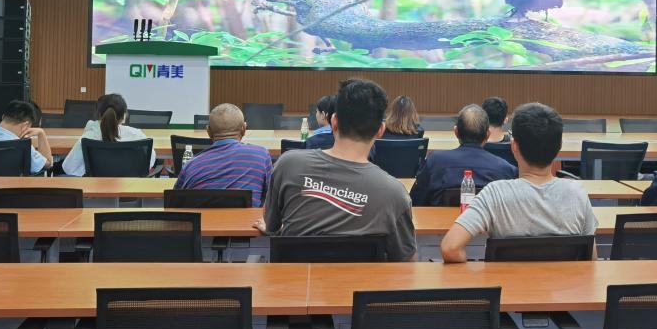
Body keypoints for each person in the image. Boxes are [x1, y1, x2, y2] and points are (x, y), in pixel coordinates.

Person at [255, 77, 416, 261]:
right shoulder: (395, 194)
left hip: (294, 279)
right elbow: (405, 259)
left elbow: (272, 226)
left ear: (334, 121)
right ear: (380, 130)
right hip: (361, 280)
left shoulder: (288, 164)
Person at [441, 102, 597, 263]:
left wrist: (481, 273)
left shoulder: (495, 194)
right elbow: (591, 259)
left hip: (506, 280)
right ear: (559, 146)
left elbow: (450, 248)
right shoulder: (577, 194)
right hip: (563, 280)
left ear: (514, 146)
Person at [410, 104, 517, 207]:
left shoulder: (434, 161)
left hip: (439, 220)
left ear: (456, 132)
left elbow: (416, 201)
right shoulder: (506, 169)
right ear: (487, 134)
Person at [173, 103, 272, 206]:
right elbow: (272, 198)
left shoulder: (190, 166)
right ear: (243, 129)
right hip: (248, 217)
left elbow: (174, 204)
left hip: (205, 217)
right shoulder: (261, 156)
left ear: (208, 131)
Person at [59, 93, 157, 177]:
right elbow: (149, 162)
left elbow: (69, 168)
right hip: (131, 190)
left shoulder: (89, 137)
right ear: (124, 115)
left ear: (99, 114)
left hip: (95, 191)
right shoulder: (138, 135)